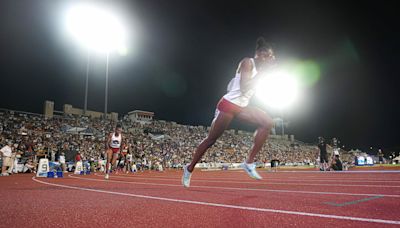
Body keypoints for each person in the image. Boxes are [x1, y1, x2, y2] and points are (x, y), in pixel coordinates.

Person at [182, 37, 275, 187]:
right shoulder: (247, 62)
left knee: (268, 122)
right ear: (257, 54)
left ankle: (248, 162)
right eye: (265, 55)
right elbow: (245, 87)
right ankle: (189, 168)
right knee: (210, 140)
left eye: (269, 56)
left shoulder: (261, 69)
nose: (267, 58)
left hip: (242, 107)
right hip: (228, 105)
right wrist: (263, 73)